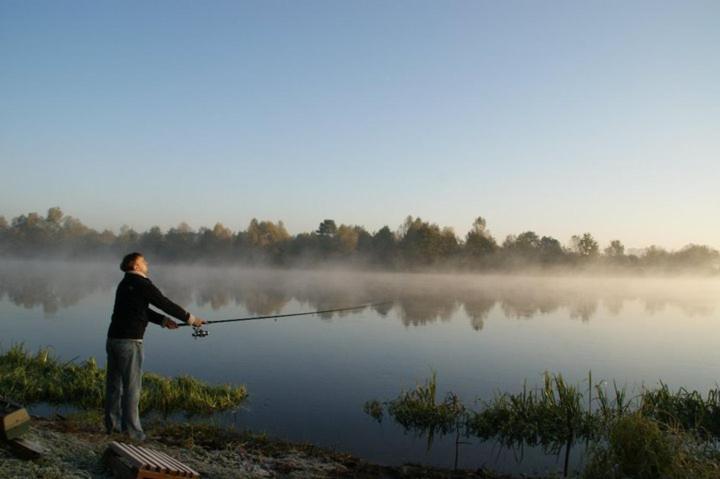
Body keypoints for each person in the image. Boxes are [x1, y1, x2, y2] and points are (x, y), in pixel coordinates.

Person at [105, 252, 205, 441]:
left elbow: (139, 310)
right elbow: (164, 303)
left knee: (114, 386)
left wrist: (163, 321)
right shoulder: (142, 283)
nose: (146, 263)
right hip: (130, 342)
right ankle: (134, 434)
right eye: (143, 261)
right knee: (132, 389)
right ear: (135, 266)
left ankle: (112, 427)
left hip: (113, 339)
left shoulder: (125, 283)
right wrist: (191, 319)